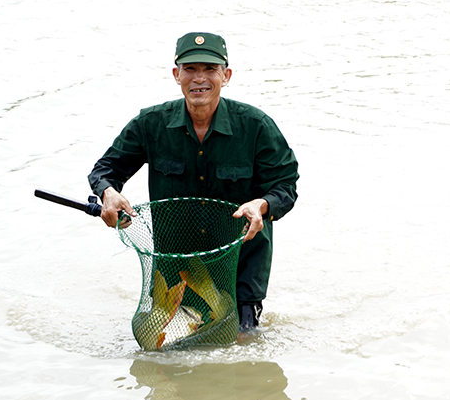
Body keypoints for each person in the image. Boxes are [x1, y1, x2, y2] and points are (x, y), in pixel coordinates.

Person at [88, 32, 299, 334]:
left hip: (239, 268)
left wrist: (261, 204)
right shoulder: (151, 124)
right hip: (176, 270)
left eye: (210, 69)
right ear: (177, 75)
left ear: (225, 76)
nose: (199, 78)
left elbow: (285, 185)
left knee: (241, 350)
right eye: (190, 69)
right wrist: (108, 193)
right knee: (165, 354)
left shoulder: (256, 126)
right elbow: (106, 169)